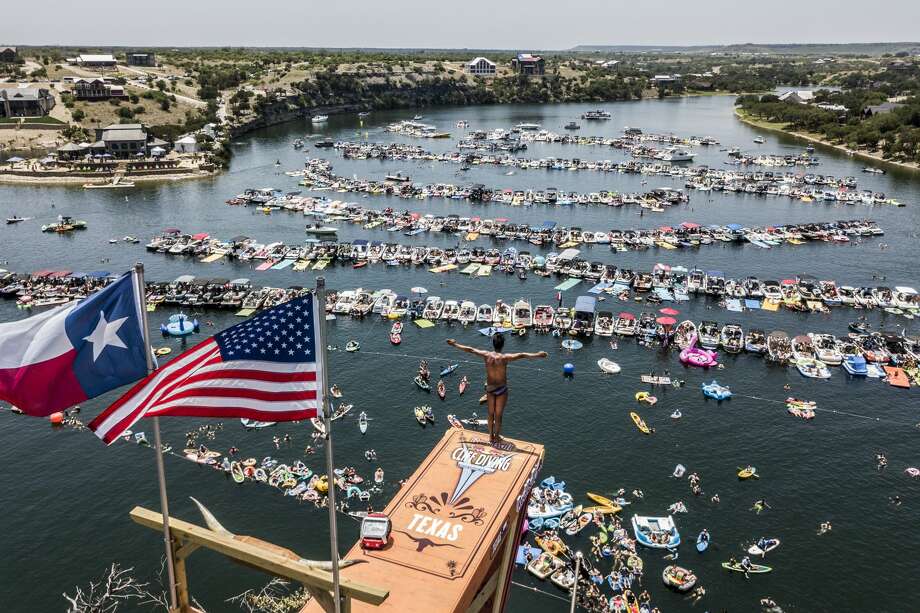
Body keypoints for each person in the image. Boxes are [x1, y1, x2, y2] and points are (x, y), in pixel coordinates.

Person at [446, 335, 547, 444]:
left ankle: (490, 436)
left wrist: (454, 344)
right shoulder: (504, 358)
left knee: (490, 414)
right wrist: (538, 355)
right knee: (498, 415)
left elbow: (470, 349)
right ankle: (497, 436)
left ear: (493, 344)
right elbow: (522, 355)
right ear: (502, 345)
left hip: (490, 389)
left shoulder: (486, 355)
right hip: (501, 389)